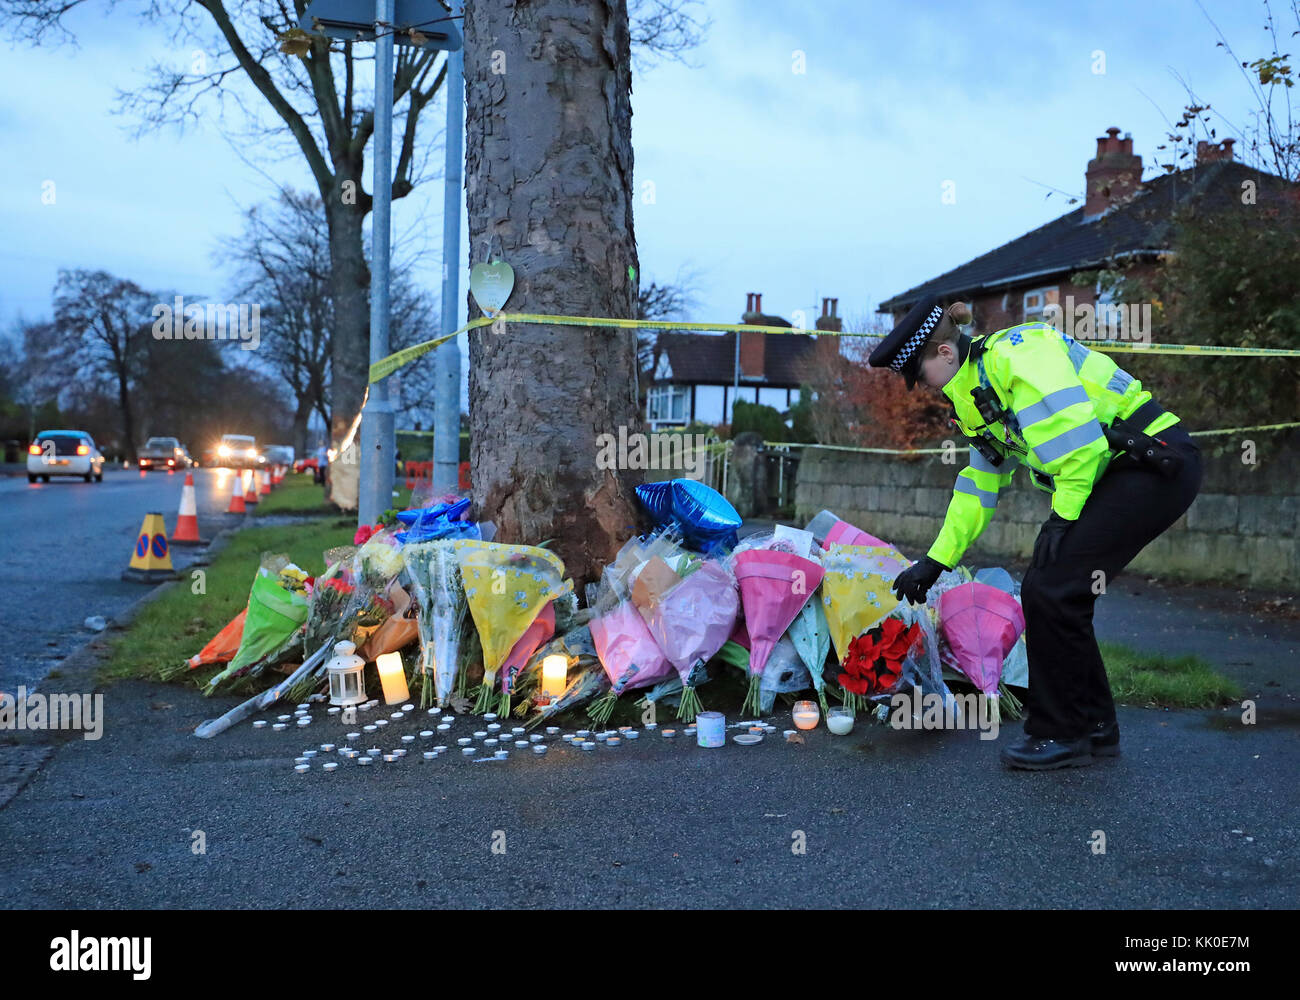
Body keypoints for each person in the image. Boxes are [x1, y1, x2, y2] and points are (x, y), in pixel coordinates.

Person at [868, 295, 1202, 770]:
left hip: (1155, 461)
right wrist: (936, 560)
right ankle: (1093, 729)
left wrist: (1062, 518)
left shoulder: (1017, 354)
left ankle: (1059, 733)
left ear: (944, 354)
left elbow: (1078, 445)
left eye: (917, 375)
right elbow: (981, 485)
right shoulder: (970, 393)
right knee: (1059, 591)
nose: (918, 388)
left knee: (1050, 587)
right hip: (1117, 470)